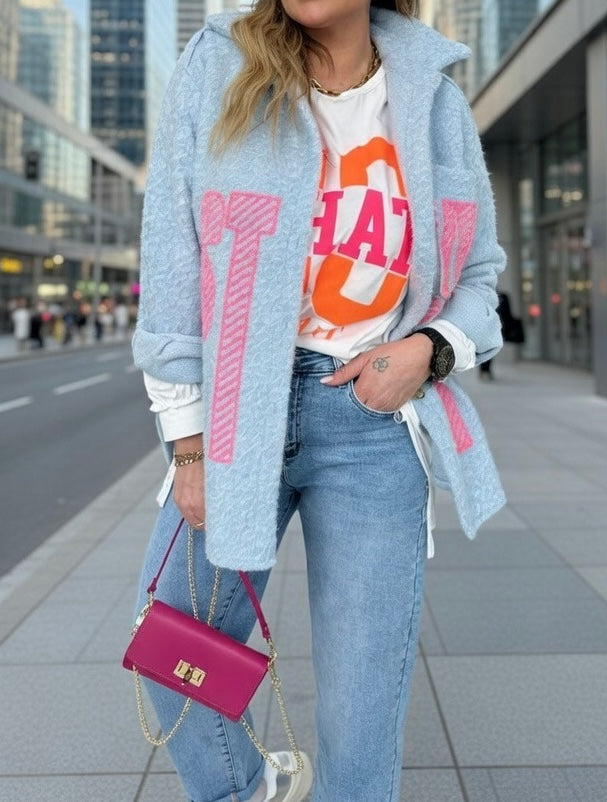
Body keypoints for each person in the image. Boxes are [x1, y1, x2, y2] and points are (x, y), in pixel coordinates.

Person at [132, 3, 507, 801]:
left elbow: (479, 277)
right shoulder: (221, 65)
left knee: (361, 713)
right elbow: (172, 251)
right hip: (238, 414)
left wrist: (428, 350)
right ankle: (253, 790)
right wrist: (187, 444)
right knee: (170, 647)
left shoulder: (433, 97)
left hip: (372, 423)